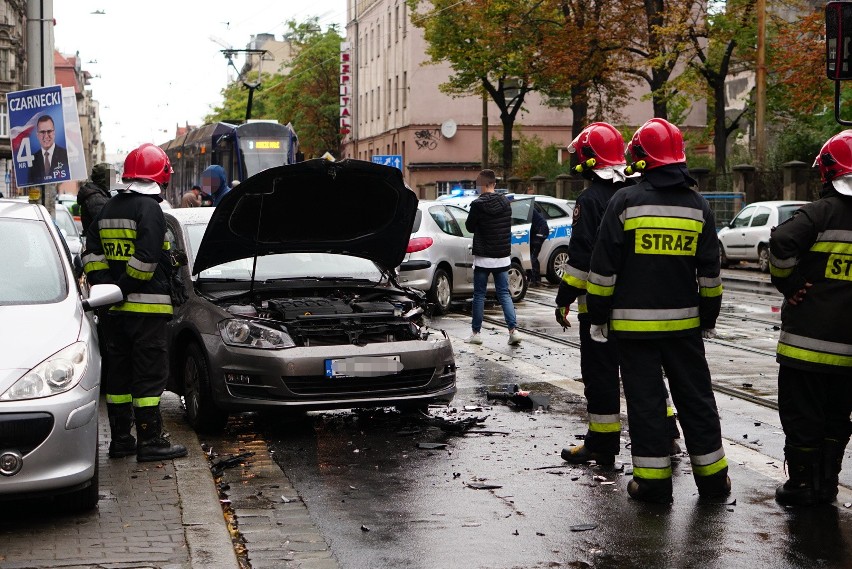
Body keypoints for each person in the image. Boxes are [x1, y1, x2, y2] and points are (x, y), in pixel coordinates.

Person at [586, 118, 729, 503]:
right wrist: (708, 318)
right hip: (685, 329)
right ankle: (715, 480)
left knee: (647, 402)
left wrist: (598, 317)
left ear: (642, 157)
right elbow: (710, 273)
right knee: (697, 399)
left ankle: (652, 483)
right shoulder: (698, 206)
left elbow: (603, 270)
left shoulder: (625, 201)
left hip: (634, 331)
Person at [558, 123, 683, 467]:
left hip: (597, 307)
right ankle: (667, 434)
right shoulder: (638, 191)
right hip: (635, 307)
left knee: (601, 377)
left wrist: (564, 295)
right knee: (646, 373)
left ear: (587, 159)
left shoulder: (589, 199)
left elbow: (582, 257)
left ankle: (602, 444)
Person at [82, 143, 187, 462]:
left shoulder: (108, 209)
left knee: (119, 377)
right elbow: (145, 260)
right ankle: (151, 441)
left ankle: (122, 441)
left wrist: (105, 288)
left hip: (114, 314)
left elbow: (90, 255)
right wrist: (122, 287)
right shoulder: (150, 210)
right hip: (147, 312)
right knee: (149, 376)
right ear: (159, 177)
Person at [769, 130, 852, 506]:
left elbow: (782, 242)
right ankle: (827, 483)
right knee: (838, 418)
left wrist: (791, 283)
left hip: (806, 349)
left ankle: (801, 485)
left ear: (828, 173)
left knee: (803, 415)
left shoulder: (819, 214)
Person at [464, 169, 522, 346]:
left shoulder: (477, 205)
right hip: (502, 255)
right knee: (504, 293)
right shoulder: (506, 203)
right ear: (494, 184)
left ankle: (476, 334)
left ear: (481, 185)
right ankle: (513, 331)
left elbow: (469, 227)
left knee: (479, 294)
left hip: (483, 256)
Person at [29, 115, 69, 184]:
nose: (46, 136)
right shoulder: (31, 160)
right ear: (37, 135)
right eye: (42, 132)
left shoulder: (66, 156)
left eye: (49, 131)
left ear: (54, 132)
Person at [77, 162, 113, 234]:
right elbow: (106, 224)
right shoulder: (96, 197)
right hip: (97, 243)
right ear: (104, 179)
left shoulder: (100, 194)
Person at [529, 202, 549, 287]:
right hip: (537, 231)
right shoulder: (526, 208)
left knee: (533, 256)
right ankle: (532, 278)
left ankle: (535, 279)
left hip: (540, 231)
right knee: (530, 255)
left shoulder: (526, 210)